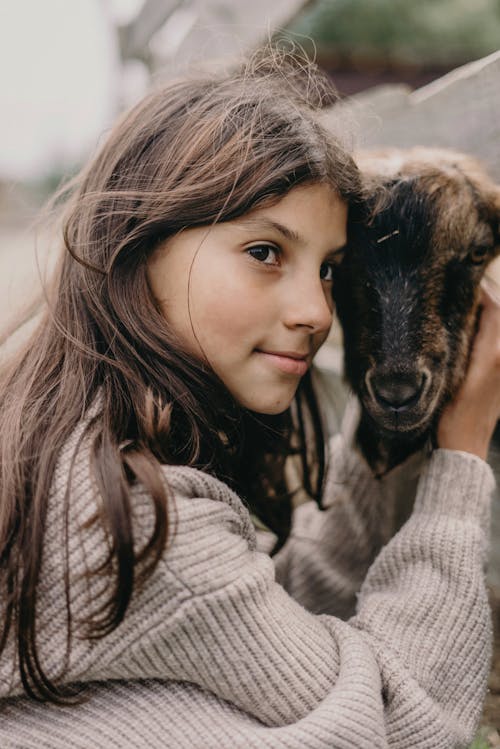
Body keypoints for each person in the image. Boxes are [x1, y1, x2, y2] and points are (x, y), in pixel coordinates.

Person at [0, 47, 498, 749]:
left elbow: (269, 613)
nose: (316, 313)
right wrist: (461, 456)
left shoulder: (70, 437)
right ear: (138, 245)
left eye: (330, 270)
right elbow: (395, 728)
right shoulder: (132, 520)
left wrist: (381, 418)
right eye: (265, 251)